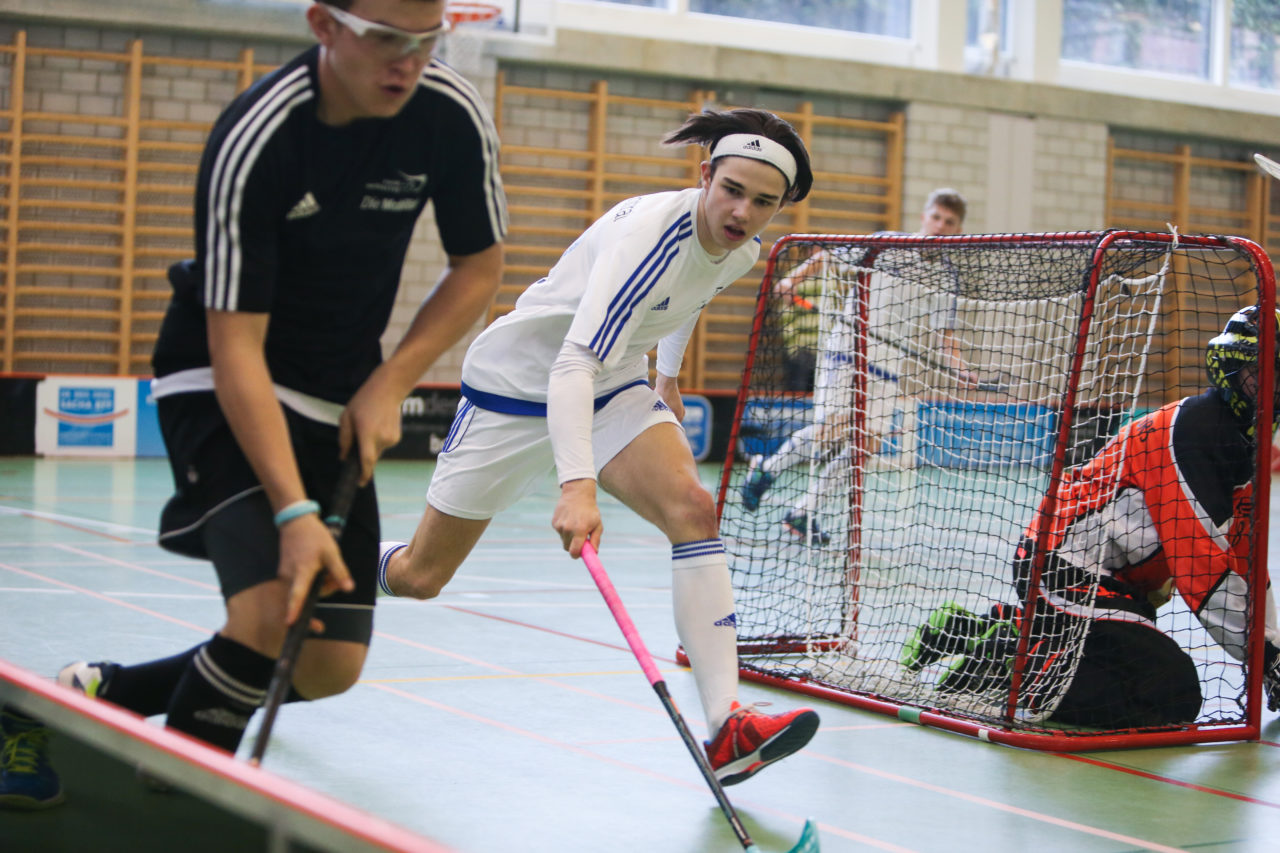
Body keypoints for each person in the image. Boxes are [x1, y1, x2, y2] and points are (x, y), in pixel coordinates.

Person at [48, 0, 507, 761]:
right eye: (386, 39)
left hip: (344, 383)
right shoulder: (259, 135)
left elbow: (479, 267)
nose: (409, 62)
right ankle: (190, 796)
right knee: (266, 618)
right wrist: (292, 510)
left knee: (327, 663)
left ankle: (102, 694)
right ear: (324, 26)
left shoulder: (449, 114)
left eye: (428, 42)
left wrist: (392, 381)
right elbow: (235, 346)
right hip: (222, 371)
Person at [377, 108, 821, 786]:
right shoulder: (651, 235)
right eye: (731, 189)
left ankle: (727, 726)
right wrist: (577, 486)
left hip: (611, 383)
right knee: (420, 577)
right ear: (704, 175)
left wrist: (666, 375)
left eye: (763, 201)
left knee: (693, 511)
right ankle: (341, 554)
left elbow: (688, 298)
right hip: (519, 387)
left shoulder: (741, 250)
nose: (742, 211)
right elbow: (569, 366)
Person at [901, 305, 1280, 727]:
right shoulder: (1192, 434)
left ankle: (1001, 631)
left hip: (1117, 586)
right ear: (1228, 370)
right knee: (1168, 691)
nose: (1272, 387)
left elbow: (1247, 551)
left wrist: (1271, 650)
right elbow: (1201, 566)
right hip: (1063, 569)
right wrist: (1266, 656)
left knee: (1150, 686)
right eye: (1261, 374)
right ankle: (1011, 664)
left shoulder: (1242, 439)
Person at [739, 188, 969, 544]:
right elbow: (830, 253)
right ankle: (766, 470)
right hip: (849, 348)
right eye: (936, 217)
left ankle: (804, 513)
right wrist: (794, 279)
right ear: (924, 216)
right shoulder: (887, 244)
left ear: (956, 229)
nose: (940, 226)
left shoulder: (948, 279)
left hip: (889, 365)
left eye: (949, 223)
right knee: (830, 430)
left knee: (866, 446)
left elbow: (946, 334)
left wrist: (960, 368)